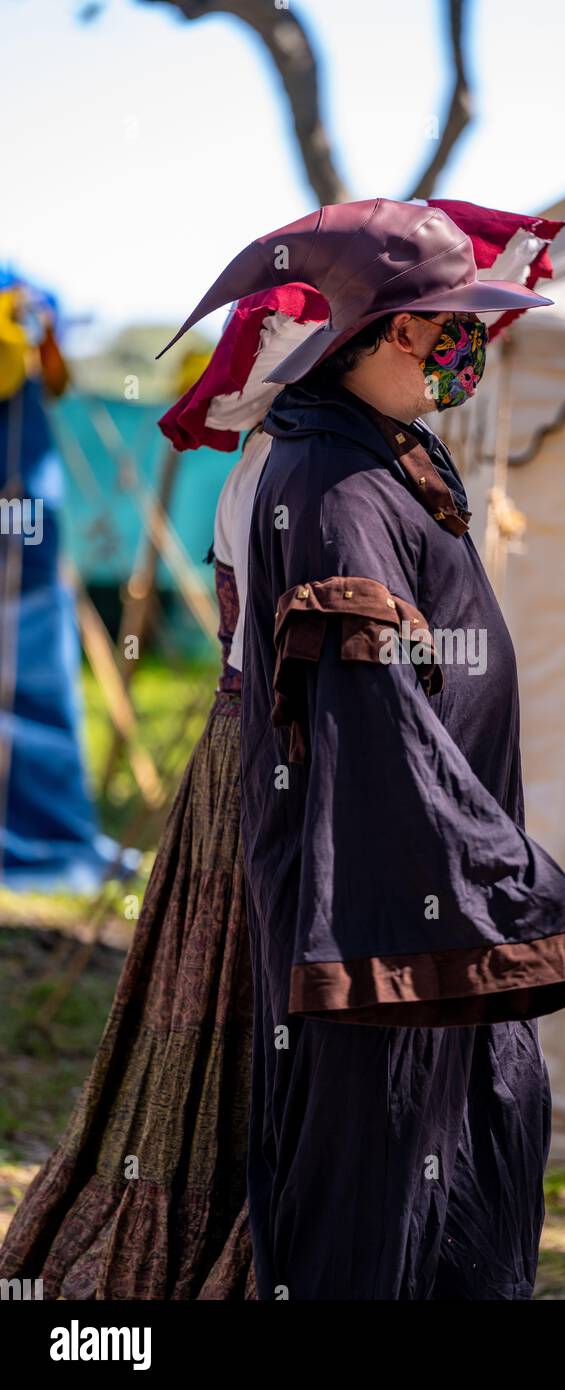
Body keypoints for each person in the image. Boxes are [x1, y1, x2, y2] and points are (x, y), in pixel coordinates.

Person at [164, 198, 565, 1301]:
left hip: (423, 888)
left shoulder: (387, 455)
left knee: (466, 1158)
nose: (466, 346)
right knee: (373, 1189)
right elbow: (369, 718)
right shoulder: (327, 482)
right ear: (387, 331)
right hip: (383, 897)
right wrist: (484, 878)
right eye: (448, 324)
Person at [0, 375, 273, 1301]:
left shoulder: (294, 464)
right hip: (261, 761)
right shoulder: (284, 471)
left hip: (252, 755)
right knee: (212, 997)